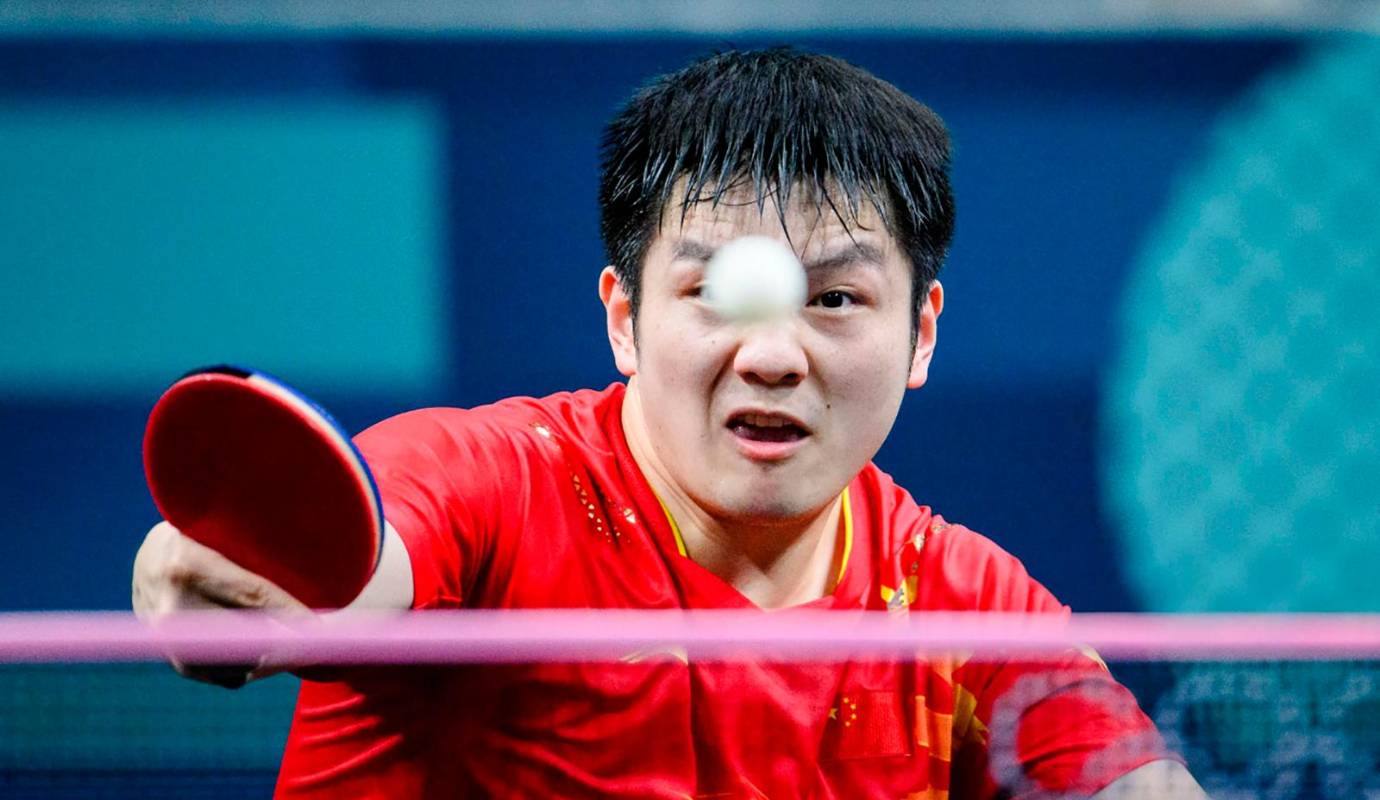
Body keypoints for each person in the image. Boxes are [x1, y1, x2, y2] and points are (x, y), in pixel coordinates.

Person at [133, 48, 1205, 798]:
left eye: (835, 299)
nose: (775, 353)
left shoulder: (963, 609)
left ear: (922, 332)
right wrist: (248, 581)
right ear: (624, 319)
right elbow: (367, 554)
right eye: (720, 295)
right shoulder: (490, 482)